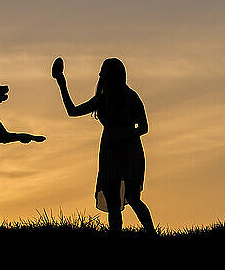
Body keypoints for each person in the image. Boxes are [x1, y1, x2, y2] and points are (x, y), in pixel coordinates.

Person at [52, 56, 155, 234]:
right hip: (111, 149)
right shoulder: (103, 99)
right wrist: (61, 83)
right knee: (114, 201)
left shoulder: (130, 97)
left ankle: (152, 234)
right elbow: (73, 111)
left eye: (104, 73)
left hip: (128, 149)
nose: (101, 76)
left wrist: (121, 138)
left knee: (132, 197)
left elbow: (144, 127)